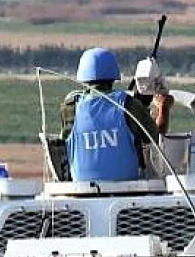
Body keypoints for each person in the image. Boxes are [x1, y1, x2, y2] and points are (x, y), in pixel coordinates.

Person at [61, 47, 158, 181]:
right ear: (113, 76)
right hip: (128, 186)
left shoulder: (71, 105)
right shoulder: (129, 104)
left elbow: (65, 140)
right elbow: (154, 138)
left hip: (81, 186)